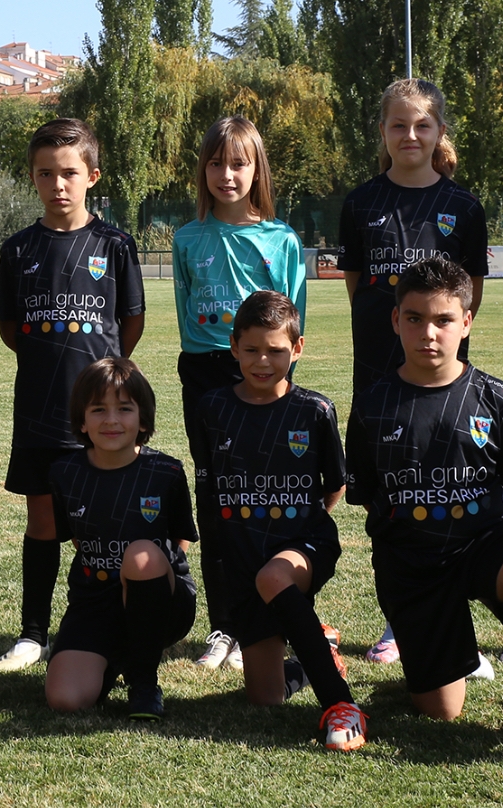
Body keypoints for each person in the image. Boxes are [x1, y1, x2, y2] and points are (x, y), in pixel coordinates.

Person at [344, 258, 503, 748]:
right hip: (411, 565)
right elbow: (370, 497)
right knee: (442, 713)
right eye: (415, 318)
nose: (429, 332)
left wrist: (477, 539)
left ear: (467, 322)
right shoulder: (372, 404)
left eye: (444, 320)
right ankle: (448, 646)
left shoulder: (495, 399)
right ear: (395, 321)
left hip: (483, 543)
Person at [337, 78, 488, 666]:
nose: (410, 135)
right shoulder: (360, 204)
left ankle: (455, 621)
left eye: (423, 125)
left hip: (447, 382)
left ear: (439, 132)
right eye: (398, 125)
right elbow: (359, 292)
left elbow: (468, 303)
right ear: (383, 132)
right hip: (379, 378)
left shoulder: (464, 207)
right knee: (390, 503)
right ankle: (398, 621)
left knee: (451, 496)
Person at [0, 118, 146, 672]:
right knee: (44, 522)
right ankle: (33, 632)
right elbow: (11, 328)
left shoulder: (115, 244)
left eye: (70, 174)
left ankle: (102, 625)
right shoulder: (18, 249)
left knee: (102, 523)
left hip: (100, 413)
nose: (58, 184)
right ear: (33, 178)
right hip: (39, 408)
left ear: (92, 177)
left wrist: (100, 378)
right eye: (46, 174)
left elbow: (130, 322)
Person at [201, 292, 367, 751]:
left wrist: (304, 527)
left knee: (276, 574)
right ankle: (318, 648)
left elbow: (335, 484)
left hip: (302, 544)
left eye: (275, 350)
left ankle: (341, 705)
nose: (262, 361)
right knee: (265, 698)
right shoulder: (213, 407)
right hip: (244, 558)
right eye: (251, 349)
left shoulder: (314, 410)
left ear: (297, 349)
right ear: (233, 347)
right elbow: (212, 480)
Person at [172, 116, 307, 671]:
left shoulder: (282, 240)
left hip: (266, 376)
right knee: (216, 500)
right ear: (202, 169)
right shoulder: (186, 239)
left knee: (274, 495)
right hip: (205, 375)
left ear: (257, 170)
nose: (226, 174)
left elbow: (294, 325)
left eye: (239, 163)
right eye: (215, 162)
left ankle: (283, 615)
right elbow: (185, 316)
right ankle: (225, 625)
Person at [44, 358, 196, 722]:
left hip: (160, 599)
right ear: (82, 420)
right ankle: (117, 657)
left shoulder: (167, 472)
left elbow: (179, 540)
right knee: (66, 699)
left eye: (124, 409)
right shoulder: (65, 473)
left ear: (143, 419)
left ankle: (143, 682)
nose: (111, 420)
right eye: (98, 409)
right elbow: (78, 541)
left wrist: (142, 581)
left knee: (142, 557)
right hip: (94, 602)